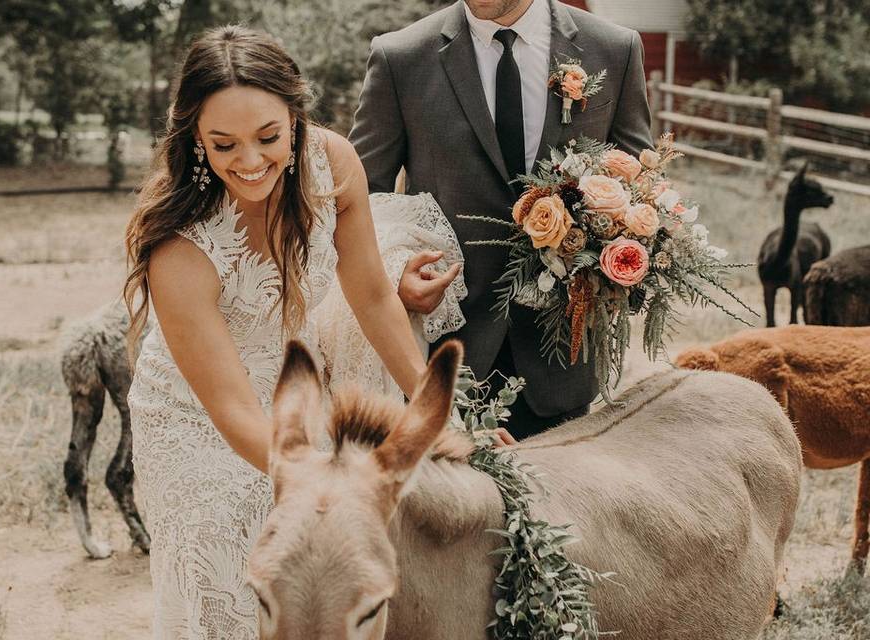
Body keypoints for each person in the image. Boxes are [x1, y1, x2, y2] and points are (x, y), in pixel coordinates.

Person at [123, 25, 448, 639]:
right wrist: (323, 482)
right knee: (243, 546)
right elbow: (230, 409)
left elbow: (374, 295)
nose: (249, 162)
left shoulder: (333, 164)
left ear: (297, 117)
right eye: (224, 145)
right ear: (195, 138)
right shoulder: (179, 252)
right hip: (195, 421)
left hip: (291, 402)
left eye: (268, 137)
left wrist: (443, 414)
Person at [350, 0, 654, 440]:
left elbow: (638, 185)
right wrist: (394, 274)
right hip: (442, 351)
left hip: (561, 360)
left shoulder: (614, 48)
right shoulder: (401, 57)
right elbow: (358, 202)